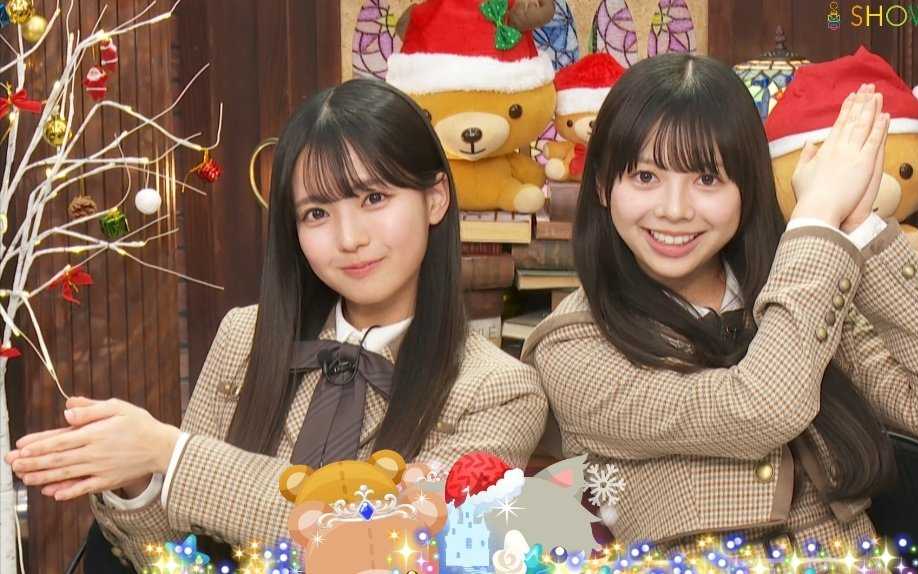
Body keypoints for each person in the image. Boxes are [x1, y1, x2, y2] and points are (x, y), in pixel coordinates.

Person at [6, 78, 548, 571]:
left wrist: (171, 455)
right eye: (317, 213)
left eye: (374, 198)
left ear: (435, 199)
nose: (350, 238)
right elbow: (170, 556)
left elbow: (392, 550)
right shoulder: (245, 337)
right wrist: (140, 480)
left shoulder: (500, 391)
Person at [521, 53, 918, 552]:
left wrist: (858, 225)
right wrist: (816, 218)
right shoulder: (573, 346)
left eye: (707, 179)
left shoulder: (802, 288)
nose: (674, 210)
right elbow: (761, 408)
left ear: (748, 188)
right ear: (602, 186)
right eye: (645, 177)